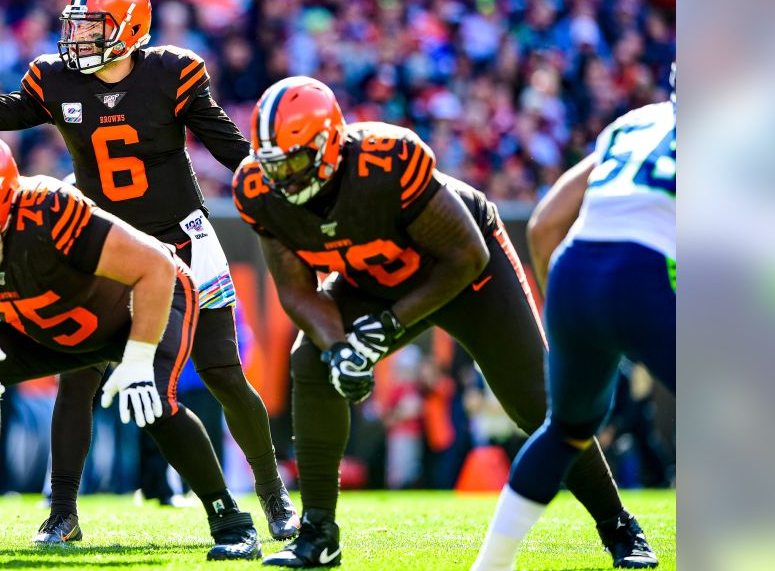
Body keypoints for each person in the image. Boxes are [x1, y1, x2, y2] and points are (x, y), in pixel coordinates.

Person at [0, 0, 297, 543]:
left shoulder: (171, 73)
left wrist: (268, 187)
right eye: (75, 27)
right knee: (77, 377)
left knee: (222, 372)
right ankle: (62, 512)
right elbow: (4, 111)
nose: (78, 40)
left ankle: (274, 498)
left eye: (92, 27)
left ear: (130, 28)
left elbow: (226, 143)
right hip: (98, 248)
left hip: (179, 241)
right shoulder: (56, 80)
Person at [231, 77, 657, 568]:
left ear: (329, 144)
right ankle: (318, 535)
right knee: (312, 360)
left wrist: (388, 326)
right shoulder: (257, 190)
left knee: (538, 405)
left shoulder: (386, 160)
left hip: (465, 271)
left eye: (295, 163)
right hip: (375, 275)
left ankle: (620, 527)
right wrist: (339, 347)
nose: (282, 178)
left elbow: (466, 254)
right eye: (273, 165)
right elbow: (297, 290)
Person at [0, 132, 261, 561]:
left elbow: (156, 267)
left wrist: (140, 357)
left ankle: (231, 522)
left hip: (137, 308)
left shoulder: (48, 209)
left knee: (151, 402)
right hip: (58, 325)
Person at [471, 92, 675, 571]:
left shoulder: (635, 123)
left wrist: (572, 318)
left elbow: (544, 225)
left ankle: (491, 565)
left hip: (572, 271)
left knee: (565, 431)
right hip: (643, 273)